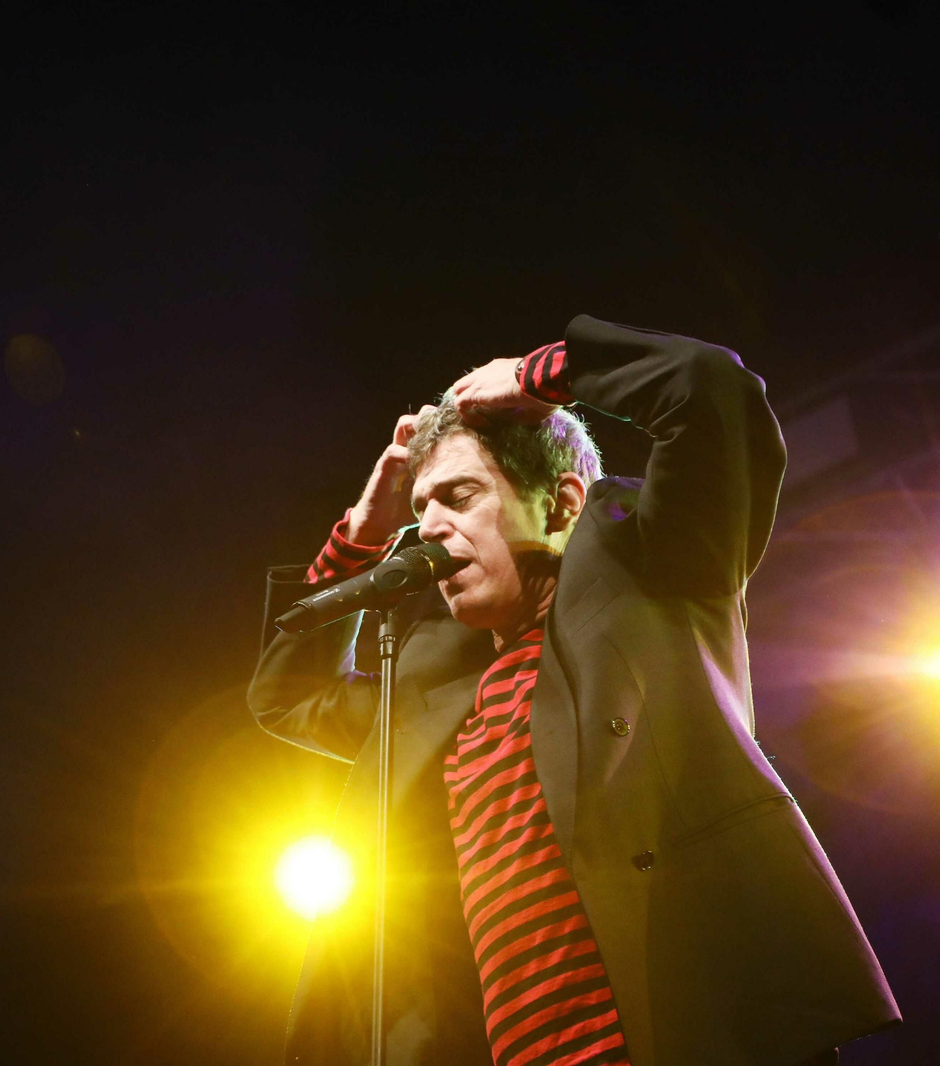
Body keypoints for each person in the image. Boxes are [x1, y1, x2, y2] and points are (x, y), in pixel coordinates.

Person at [247, 316, 899, 1066]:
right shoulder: (434, 685)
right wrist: (365, 528)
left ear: (559, 504)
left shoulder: (650, 569)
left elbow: (710, 390)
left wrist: (544, 375)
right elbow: (285, 696)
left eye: (458, 496)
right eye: (419, 513)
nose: (430, 532)